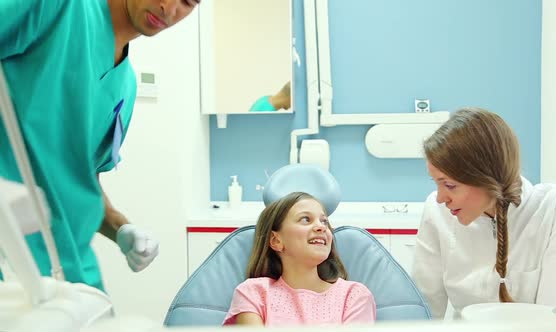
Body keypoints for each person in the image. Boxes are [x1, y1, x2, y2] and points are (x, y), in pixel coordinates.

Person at [0, 0, 199, 291]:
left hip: (72, 274)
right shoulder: (59, 8)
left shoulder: (126, 87)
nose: (168, 7)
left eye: (188, 2)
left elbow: (78, 177)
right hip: (12, 265)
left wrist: (120, 228)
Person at [412, 107, 556, 319]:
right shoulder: (436, 209)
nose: (441, 198)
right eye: (437, 184)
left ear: (487, 177)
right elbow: (423, 310)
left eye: (450, 185)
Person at [223, 192, 376, 326]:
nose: (321, 227)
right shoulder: (253, 293)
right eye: (305, 219)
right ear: (276, 241)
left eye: (324, 221)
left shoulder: (354, 296)